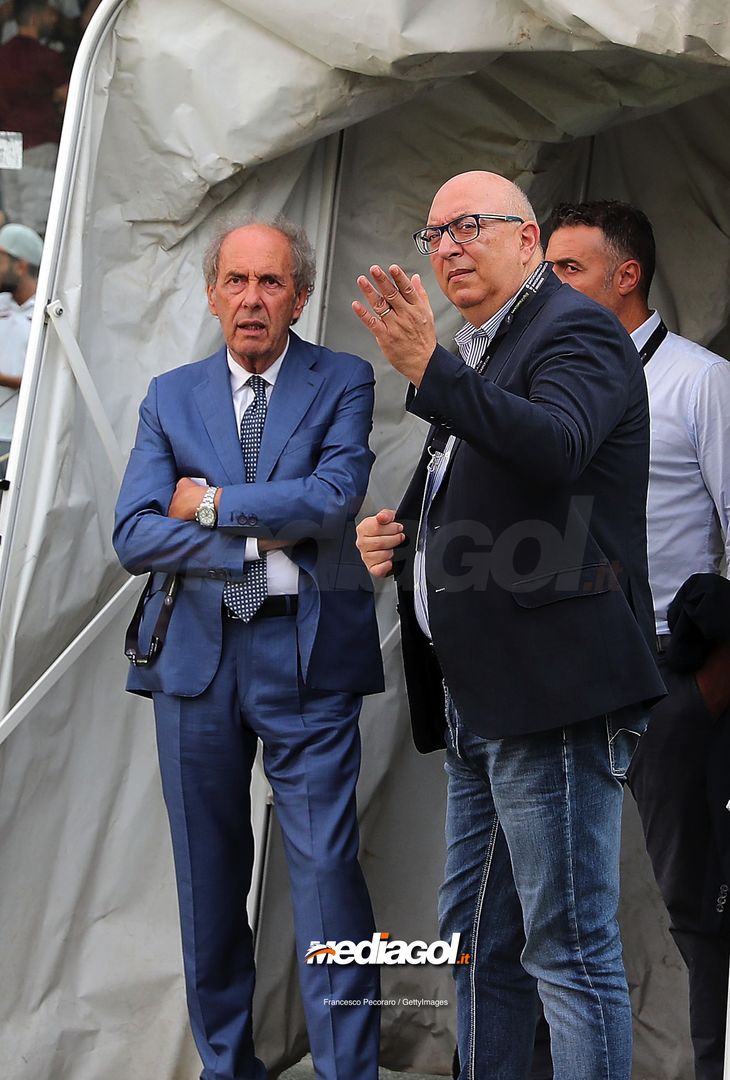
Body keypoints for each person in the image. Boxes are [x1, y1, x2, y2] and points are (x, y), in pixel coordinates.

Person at [353, 171, 665, 1080]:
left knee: (566, 949)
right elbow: (479, 480)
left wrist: (430, 369)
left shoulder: (576, 330)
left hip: (555, 688)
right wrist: (403, 532)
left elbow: (557, 446)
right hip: (480, 696)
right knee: (476, 943)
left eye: (471, 226)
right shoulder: (483, 346)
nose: (447, 244)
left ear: (528, 242)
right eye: (435, 232)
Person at [113, 217, 384, 1080]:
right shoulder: (170, 393)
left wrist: (206, 505)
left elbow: (334, 500)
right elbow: (132, 534)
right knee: (208, 882)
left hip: (306, 659)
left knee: (328, 876)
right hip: (195, 664)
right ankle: (229, 1069)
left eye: (271, 283)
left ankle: (350, 1071)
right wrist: (256, 542)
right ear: (211, 292)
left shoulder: (343, 378)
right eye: (236, 281)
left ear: (299, 296)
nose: (252, 300)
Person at [546, 200, 730, 1080]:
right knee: (550, 899)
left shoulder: (700, 380)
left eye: (567, 270)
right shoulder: (545, 381)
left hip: (666, 673)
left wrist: (712, 684)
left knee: (693, 898)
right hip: (564, 670)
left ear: (627, 277)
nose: (547, 286)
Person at [0, 0, 69, 234]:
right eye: (48, 15)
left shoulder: (2, 54)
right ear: (34, 19)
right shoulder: (46, 56)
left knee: (12, 210)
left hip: (6, 141)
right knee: (36, 215)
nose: (53, 20)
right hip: (37, 140)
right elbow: (67, 94)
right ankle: (32, 267)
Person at [0, 222, 42, 479]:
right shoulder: (2, 303)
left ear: (21, 265)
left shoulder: (47, 312)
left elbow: (43, 379)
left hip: (22, 436)